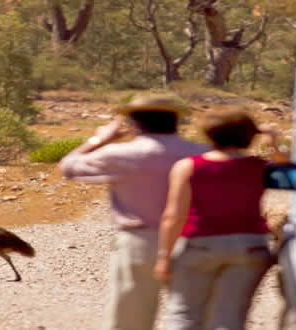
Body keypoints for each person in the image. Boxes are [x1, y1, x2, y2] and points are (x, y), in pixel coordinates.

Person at [59, 95, 209, 330]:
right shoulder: (202, 153)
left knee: (130, 319)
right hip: (194, 239)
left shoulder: (121, 154)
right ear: (176, 120)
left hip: (139, 242)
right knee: (191, 317)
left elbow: (69, 167)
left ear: (135, 123)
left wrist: (100, 139)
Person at [154, 110, 284, 330]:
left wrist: (164, 255)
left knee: (185, 314)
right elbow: (293, 170)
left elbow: (173, 216)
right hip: (249, 246)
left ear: (208, 134)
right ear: (250, 135)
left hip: (200, 245)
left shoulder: (189, 166)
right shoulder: (260, 166)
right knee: (230, 318)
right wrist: (273, 142)